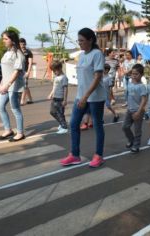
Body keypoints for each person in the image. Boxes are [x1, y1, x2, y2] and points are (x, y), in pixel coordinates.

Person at [60, 27, 106, 168]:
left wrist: (85, 96)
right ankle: (75, 155)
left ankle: (98, 155)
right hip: (81, 96)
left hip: (95, 97)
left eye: (82, 40)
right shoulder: (82, 55)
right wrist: (81, 96)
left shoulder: (97, 54)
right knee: (74, 124)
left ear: (90, 40)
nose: (79, 43)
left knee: (97, 126)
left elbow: (97, 77)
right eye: (78, 40)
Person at [0, 30, 26, 142]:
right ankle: (8, 130)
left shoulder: (19, 54)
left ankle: (20, 133)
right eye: (3, 38)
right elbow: (5, 71)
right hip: (5, 85)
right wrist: (2, 83)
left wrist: (7, 85)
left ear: (12, 40)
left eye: (5, 39)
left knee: (15, 109)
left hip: (15, 86)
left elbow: (16, 72)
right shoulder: (7, 53)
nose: (3, 41)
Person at [122, 63, 147, 153]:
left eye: (136, 74)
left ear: (141, 75)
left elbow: (144, 100)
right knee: (125, 127)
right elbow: (128, 95)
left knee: (137, 130)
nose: (134, 76)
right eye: (132, 74)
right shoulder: (129, 83)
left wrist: (139, 112)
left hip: (138, 111)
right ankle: (131, 140)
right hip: (130, 109)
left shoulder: (142, 86)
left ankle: (136, 146)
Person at [47, 60, 68, 134]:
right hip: (55, 98)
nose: (54, 72)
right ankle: (62, 123)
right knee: (52, 112)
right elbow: (54, 87)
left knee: (60, 113)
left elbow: (65, 89)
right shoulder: (56, 77)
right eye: (53, 71)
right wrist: (51, 94)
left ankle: (64, 127)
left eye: (54, 71)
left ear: (59, 68)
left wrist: (65, 100)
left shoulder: (64, 78)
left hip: (60, 98)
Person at [19, 38, 34, 105]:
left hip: (25, 71)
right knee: (24, 86)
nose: (22, 45)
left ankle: (22, 100)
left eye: (24, 43)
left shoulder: (28, 52)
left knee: (24, 86)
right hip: (18, 71)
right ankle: (30, 99)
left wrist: (28, 72)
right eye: (21, 43)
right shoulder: (17, 51)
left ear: (25, 44)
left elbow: (30, 62)